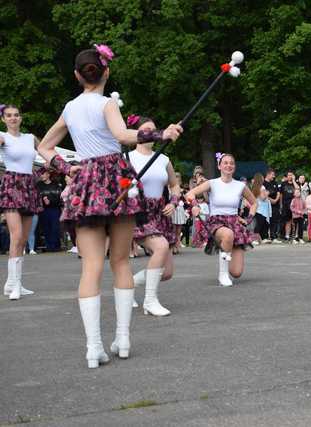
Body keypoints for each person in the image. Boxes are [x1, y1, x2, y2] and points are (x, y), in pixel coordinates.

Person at [38, 45, 183, 368]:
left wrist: (66, 167)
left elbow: (45, 146)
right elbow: (121, 134)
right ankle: (123, 339)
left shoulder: (70, 108)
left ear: (77, 76)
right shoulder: (106, 104)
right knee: (120, 261)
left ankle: (94, 347)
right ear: (107, 72)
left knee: (91, 265)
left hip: (86, 183)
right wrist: (161, 133)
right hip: (117, 181)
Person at [126, 115, 182, 316]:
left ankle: (128, 284)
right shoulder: (127, 158)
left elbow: (174, 185)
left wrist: (173, 202)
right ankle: (150, 301)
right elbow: (119, 185)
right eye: (146, 130)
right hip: (137, 212)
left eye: (153, 129)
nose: (151, 134)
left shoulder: (163, 158)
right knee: (161, 246)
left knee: (166, 273)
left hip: (159, 212)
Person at [187, 153, 256, 287]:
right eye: (225, 162)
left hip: (235, 223)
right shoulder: (212, 183)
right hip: (216, 222)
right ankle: (222, 275)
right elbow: (190, 194)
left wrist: (248, 219)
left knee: (236, 272)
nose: (228, 165)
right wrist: (194, 206)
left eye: (231, 163)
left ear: (234, 167)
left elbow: (254, 203)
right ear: (219, 166)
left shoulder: (240, 186)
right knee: (227, 234)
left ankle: (227, 265)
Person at [0, 104, 43, 300]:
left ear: (21, 118)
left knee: (24, 239)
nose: (13, 118)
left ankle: (13, 282)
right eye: (8, 116)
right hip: (11, 185)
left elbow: (46, 153)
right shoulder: (2, 137)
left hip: (29, 185)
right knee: (16, 236)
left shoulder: (30, 138)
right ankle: (14, 284)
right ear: (3, 119)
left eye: (16, 115)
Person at [37, 170, 63, 251]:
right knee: (46, 228)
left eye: (43, 174)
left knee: (55, 228)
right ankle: (49, 247)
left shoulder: (56, 185)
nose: (41, 176)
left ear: (48, 175)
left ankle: (55, 246)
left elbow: (60, 198)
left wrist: (50, 201)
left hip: (54, 209)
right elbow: (36, 197)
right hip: (43, 210)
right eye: (41, 174)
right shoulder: (38, 185)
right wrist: (42, 202)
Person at [171, 172, 188, 254]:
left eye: (178, 180)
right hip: (173, 210)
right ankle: (173, 246)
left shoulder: (182, 191)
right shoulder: (170, 189)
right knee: (173, 230)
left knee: (178, 230)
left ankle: (177, 245)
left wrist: (183, 200)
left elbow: (186, 201)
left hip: (180, 210)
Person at [263, 168, 282, 243]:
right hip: (266, 205)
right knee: (266, 221)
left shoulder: (275, 182)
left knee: (274, 221)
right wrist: (271, 200)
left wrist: (276, 200)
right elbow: (263, 194)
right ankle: (265, 237)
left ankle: (273, 237)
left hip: (275, 205)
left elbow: (278, 192)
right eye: (272, 175)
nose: (273, 176)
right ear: (268, 174)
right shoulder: (263, 183)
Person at [280, 171, 297, 241]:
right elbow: (281, 194)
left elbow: (298, 189)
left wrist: (293, 181)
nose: (290, 176)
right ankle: (287, 235)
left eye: (291, 175)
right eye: (289, 175)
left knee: (294, 221)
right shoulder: (283, 184)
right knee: (288, 221)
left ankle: (294, 235)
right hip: (286, 204)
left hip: (294, 205)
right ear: (287, 176)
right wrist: (281, 204)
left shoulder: (295, 183)